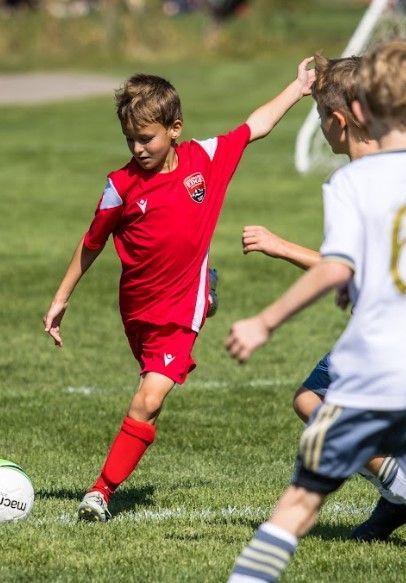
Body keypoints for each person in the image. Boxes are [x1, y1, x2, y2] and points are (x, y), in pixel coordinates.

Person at [43, 58, 316, 521]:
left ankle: (99, 492)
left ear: (175, 129)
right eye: (129, 139)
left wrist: (298, 87)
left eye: (145, 138)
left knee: (149, 398)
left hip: (177, 312)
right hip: (137, 309)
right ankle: (204, 287)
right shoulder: (120, 185)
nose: (137, 147)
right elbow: (92, 243)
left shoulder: (203, 160)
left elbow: (255, 126)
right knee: (149, 392)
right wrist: (61, 297)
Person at [225, 39, 406, 581]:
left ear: (344, 117)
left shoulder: (351, 182)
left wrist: (265, 320)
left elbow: (336, 268)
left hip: (375, 366)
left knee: (298, 505)